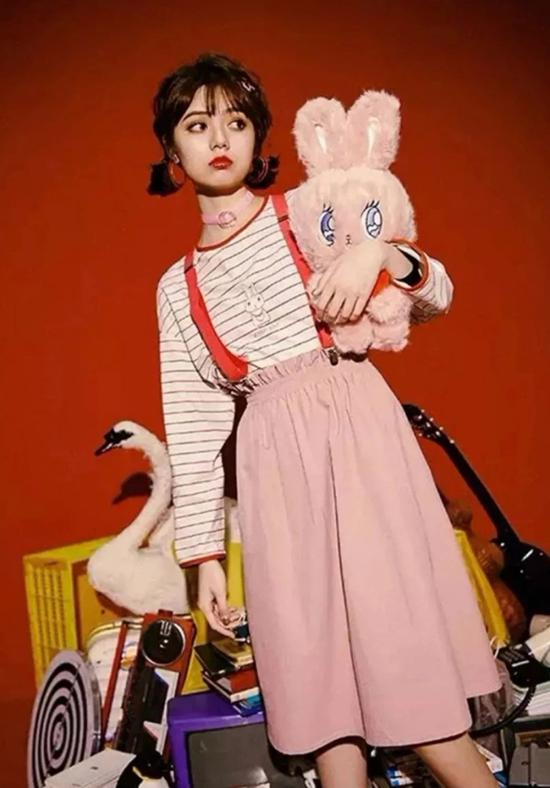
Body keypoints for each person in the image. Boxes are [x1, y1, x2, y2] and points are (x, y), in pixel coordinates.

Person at [150, 52, 502, 788]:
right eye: (197, 124)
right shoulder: (177, 287)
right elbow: (193, 425)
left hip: (358, 437)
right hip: (276, 472)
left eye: (236, 121)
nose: (220, 138)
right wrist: (205, 559)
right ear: (172, 149)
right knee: (321, 692)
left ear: (258, 134)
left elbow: (437, 291)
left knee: (407, 671)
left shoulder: (311, 210)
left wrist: (380, 252)